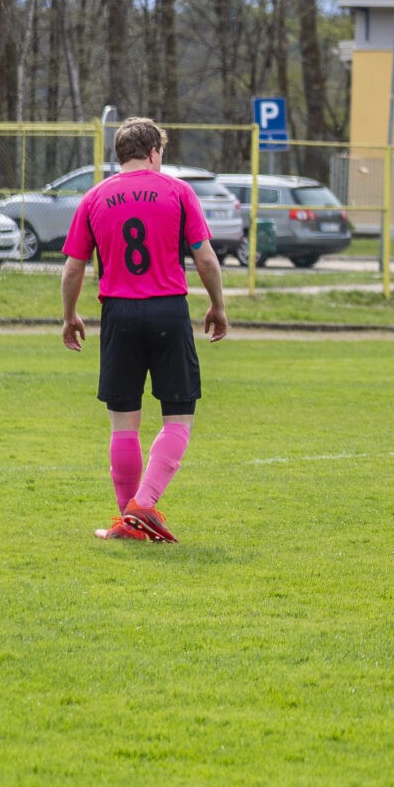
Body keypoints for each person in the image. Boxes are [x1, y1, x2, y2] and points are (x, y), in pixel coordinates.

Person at [60, 118, 229, 542]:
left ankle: (127, 518)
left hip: (118, 313)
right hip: (168, 311)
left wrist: (70, 315)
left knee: (123, 423)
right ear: (154, 152)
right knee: (179, 417)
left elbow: (73, 268)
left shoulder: (95, 197)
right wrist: (218, 305)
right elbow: (205, 259)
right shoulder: (178, 192)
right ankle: (143, 506)